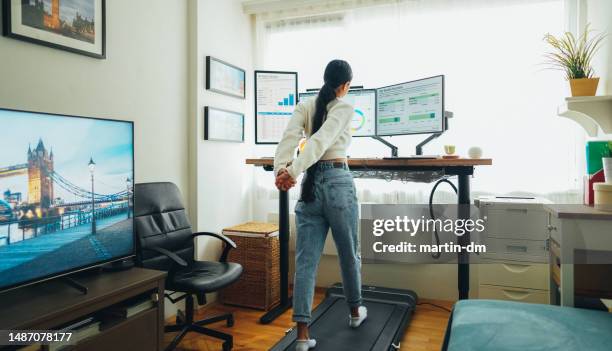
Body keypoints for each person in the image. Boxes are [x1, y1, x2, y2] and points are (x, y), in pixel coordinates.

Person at [274, 60, 366, 351]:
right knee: (348, 253)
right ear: (345, 85)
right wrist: (290, 171)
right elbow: (322, 141)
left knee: (305, 262)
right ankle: (354, 313)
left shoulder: (305, 106)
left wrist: (284, 169)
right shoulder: (344, 106)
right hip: (337, 183)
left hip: (310, 186)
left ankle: (302, 336)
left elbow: (291, 139)